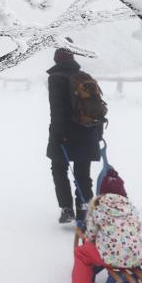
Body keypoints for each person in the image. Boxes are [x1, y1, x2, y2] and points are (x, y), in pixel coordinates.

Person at [46, 47, 105, 224]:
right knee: (82, 175)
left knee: (58, 168)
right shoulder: (85, 76)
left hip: (65, 133)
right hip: (88, 132)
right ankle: (84, 213)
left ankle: (66, 209)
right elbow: (98, 107)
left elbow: (57, 111)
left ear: (57, 59)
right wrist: (98, 133)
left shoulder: (56, 79)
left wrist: (58, 136)